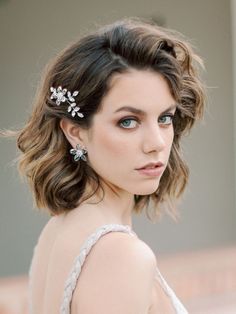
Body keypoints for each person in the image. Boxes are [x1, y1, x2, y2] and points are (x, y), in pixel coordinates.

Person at [2, 17, 205, 313]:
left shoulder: (58, 230)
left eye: (164, 118)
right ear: (76, 132)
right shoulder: (122, 256)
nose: (157, 143)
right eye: (128, 121)